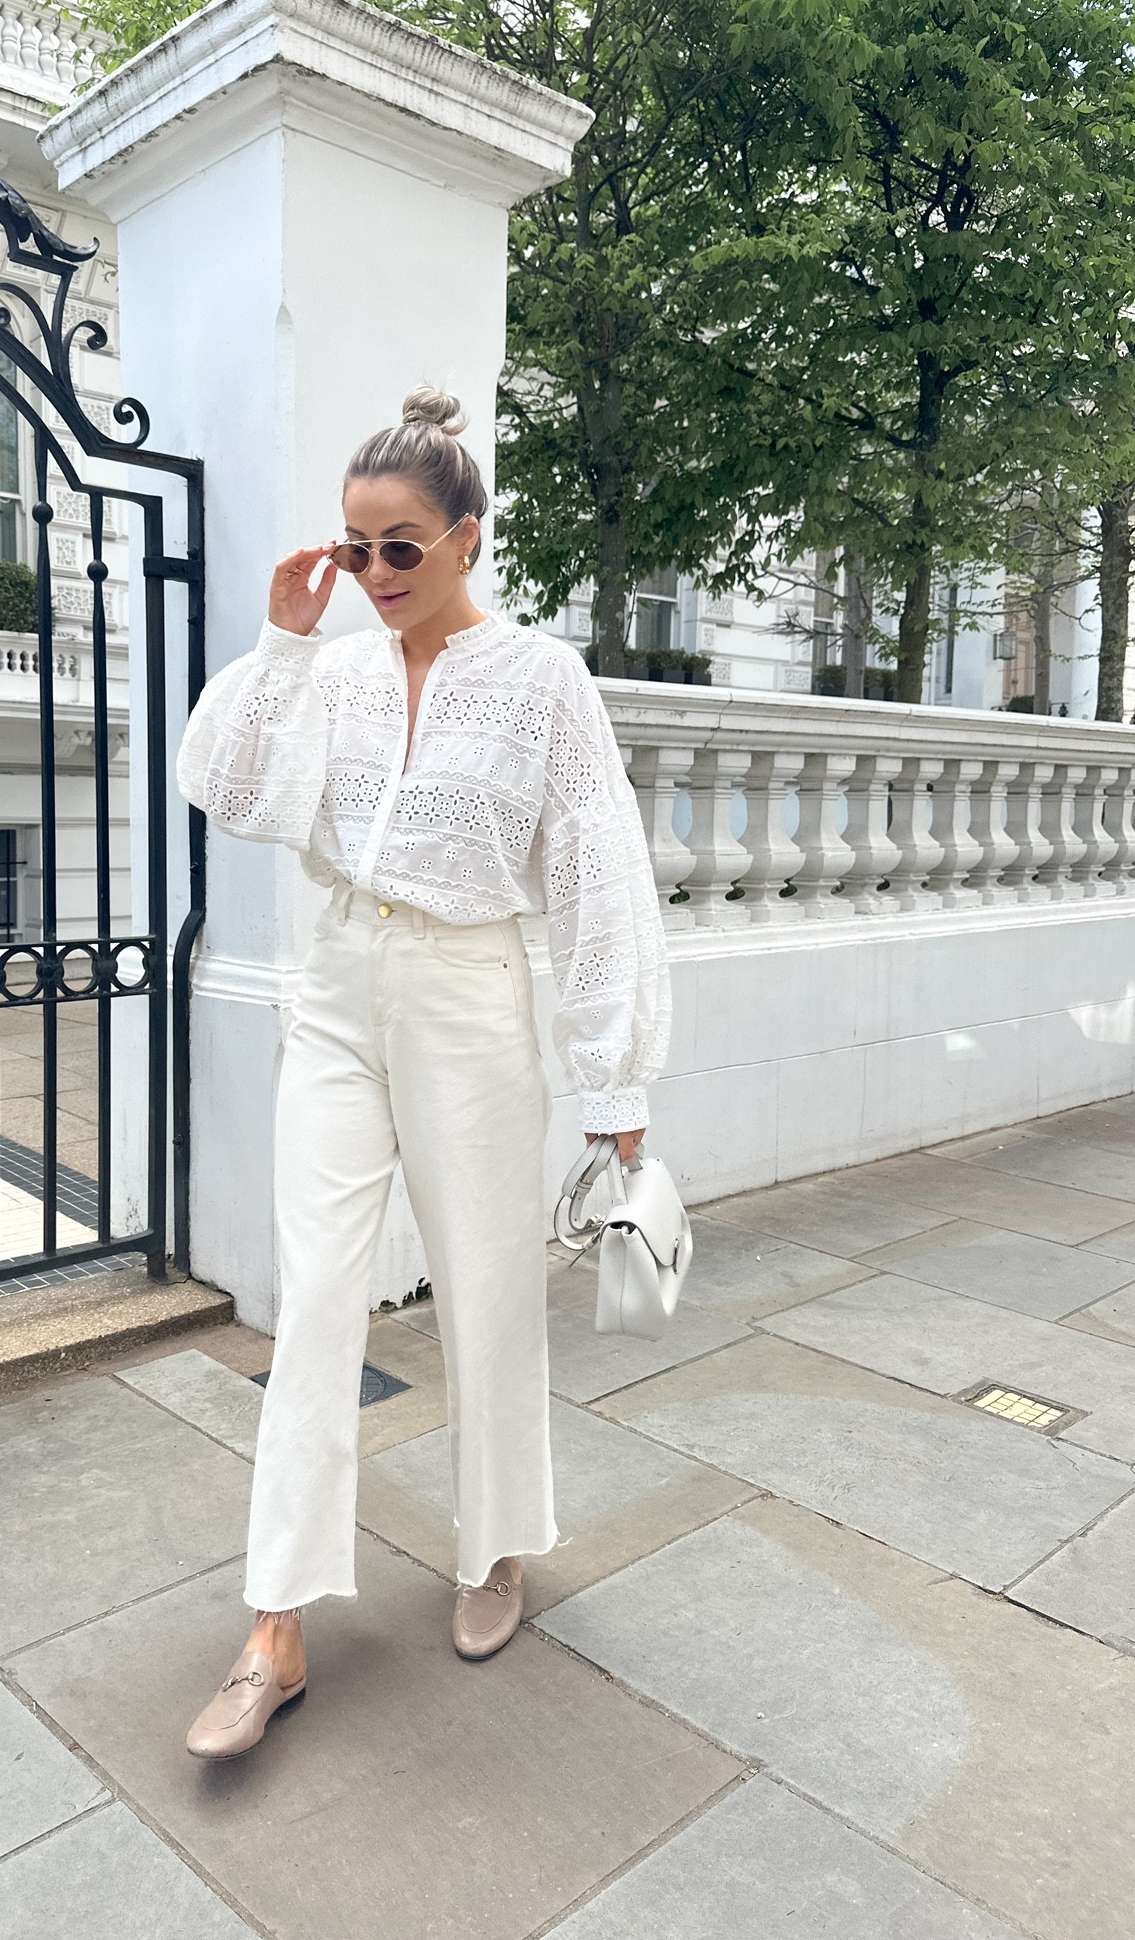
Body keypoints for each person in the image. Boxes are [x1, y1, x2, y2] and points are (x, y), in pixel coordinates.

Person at [176, 386, 670, 1759]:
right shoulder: (326, 670)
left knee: (490, 1291)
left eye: (399, 547)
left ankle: (497, 1542)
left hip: (465, 995)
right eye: (354, 547)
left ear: (464, 538)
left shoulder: (541, 681)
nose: (373, 575)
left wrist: (614, 1088)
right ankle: (274, 1625)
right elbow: (224, 785)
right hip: (336, 986)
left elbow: (595, 879)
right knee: (318, 1299)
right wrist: (283, 634)